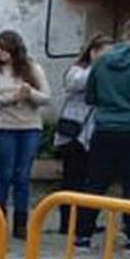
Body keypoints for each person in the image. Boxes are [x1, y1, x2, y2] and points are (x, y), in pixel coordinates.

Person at [82, 17, 130, 251]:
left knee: (95, 183)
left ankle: (82, 234)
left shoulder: (101, 62)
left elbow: (90, 96)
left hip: (104, 128)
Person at [0, 30, 51, 242]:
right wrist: (12, 97)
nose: (0, 53)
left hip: (29, 127)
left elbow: (46, 97)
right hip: (4, 126)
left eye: (4, 48)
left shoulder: (32, 68)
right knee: (3, 175)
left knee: (23, 176)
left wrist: (30, 93)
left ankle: (21, 222)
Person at [53, 34, 112, 237]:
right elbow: (75, 84)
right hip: (75, 132)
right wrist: (99, 67)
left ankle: (86, 222)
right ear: (93, 52)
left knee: (91, 180)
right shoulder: (78, 71)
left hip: (95, 132)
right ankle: (67, 223)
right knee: (73, 179)